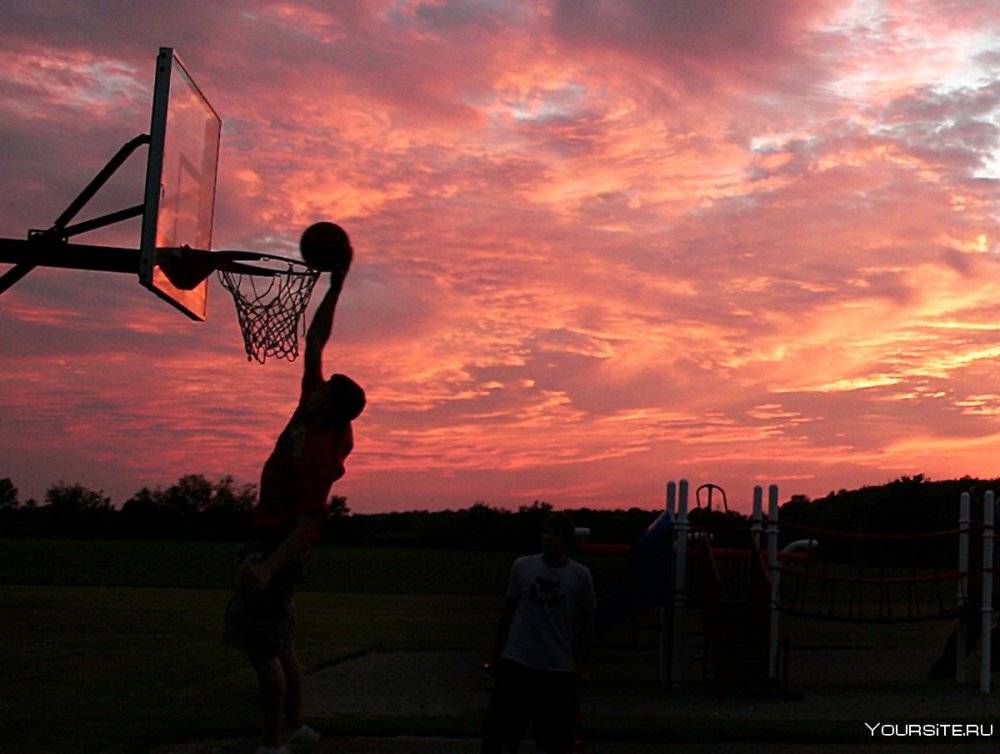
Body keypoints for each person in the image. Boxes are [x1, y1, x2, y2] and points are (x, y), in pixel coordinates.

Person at [224, 238, 365, 754]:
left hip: (278, 544)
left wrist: (267, 566)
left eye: (327, 390)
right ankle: (295, 728)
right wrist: (336, 283)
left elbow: (309, 524)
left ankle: (270, 743)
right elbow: (316, 341)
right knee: (280, 642)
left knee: (262, 650)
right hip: (271, 538)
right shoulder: (314, 407)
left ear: (336, 408)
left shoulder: (321, 454)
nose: (317, 386)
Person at [482, 513, 596, 754]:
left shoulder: (579, 575)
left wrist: (584, 665)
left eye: (555, 535)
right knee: (500, 734)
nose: (548, 539)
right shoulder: (523, 566)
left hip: (557, 667)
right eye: (546, 533)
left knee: (555, 739)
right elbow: (508, 612)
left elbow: (587, 623)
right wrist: (497, 656)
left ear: (566, 541)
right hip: (518, 661)